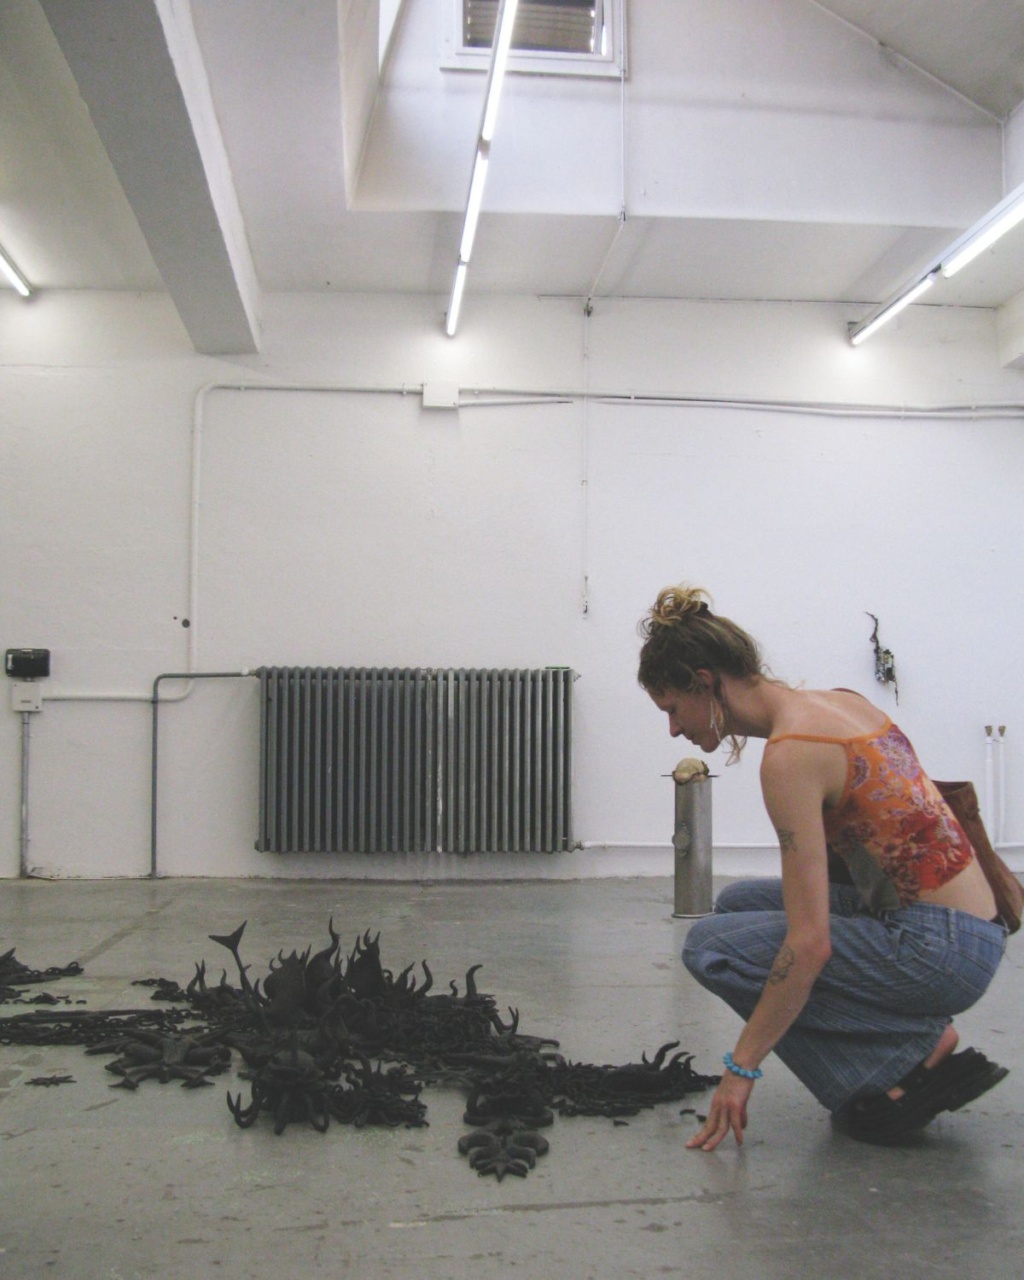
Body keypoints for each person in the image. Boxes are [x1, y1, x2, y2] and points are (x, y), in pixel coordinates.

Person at [638, 583, 1009, 1151]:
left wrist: (741, 1070)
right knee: (737, 906)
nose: (673, 729)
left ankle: (902, 1065)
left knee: (710, 946)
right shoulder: (840, 702)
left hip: (943, 952)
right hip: (971, 929)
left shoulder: (791, 754)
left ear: (705, 682)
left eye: (671, 708)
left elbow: (810, 945)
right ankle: (914, 1043)